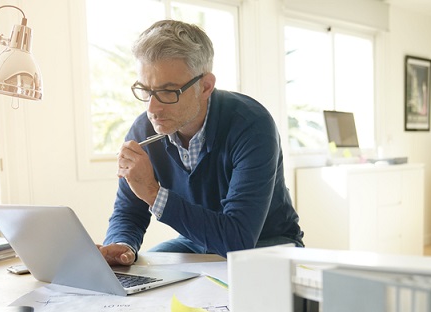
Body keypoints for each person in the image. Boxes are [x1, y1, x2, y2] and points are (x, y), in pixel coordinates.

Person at [99, 19, 303, 267]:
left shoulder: (252, 125)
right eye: (145, 90)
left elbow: (238, 240)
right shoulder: (144, 128)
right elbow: (129, 212)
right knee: (145, 270)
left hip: (267, 244)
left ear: (205, 86)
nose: (152, 108)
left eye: (167, 91)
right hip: (197, 242)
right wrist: (121, 246)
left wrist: (153, 194)